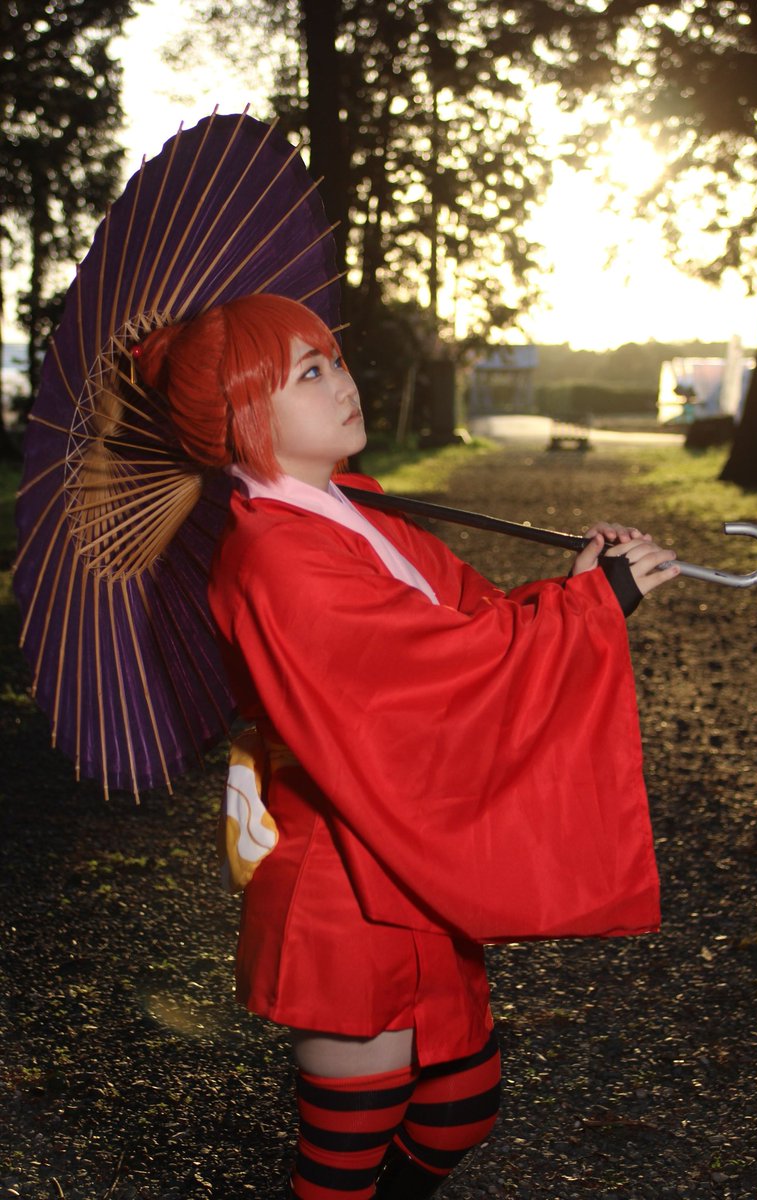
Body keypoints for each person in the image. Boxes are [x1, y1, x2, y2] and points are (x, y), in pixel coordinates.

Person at [134, 293, 679, 1199]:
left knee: (462, 1110)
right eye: (310, 373)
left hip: (404, 858)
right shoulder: (274, 555)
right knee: (347, 1152)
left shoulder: (350, 511)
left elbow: (468, 626)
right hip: (342, 880)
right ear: (244, 414)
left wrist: (573, 592)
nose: (344, 382)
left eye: (336, 359)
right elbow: (419, 681)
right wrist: (592, 612)